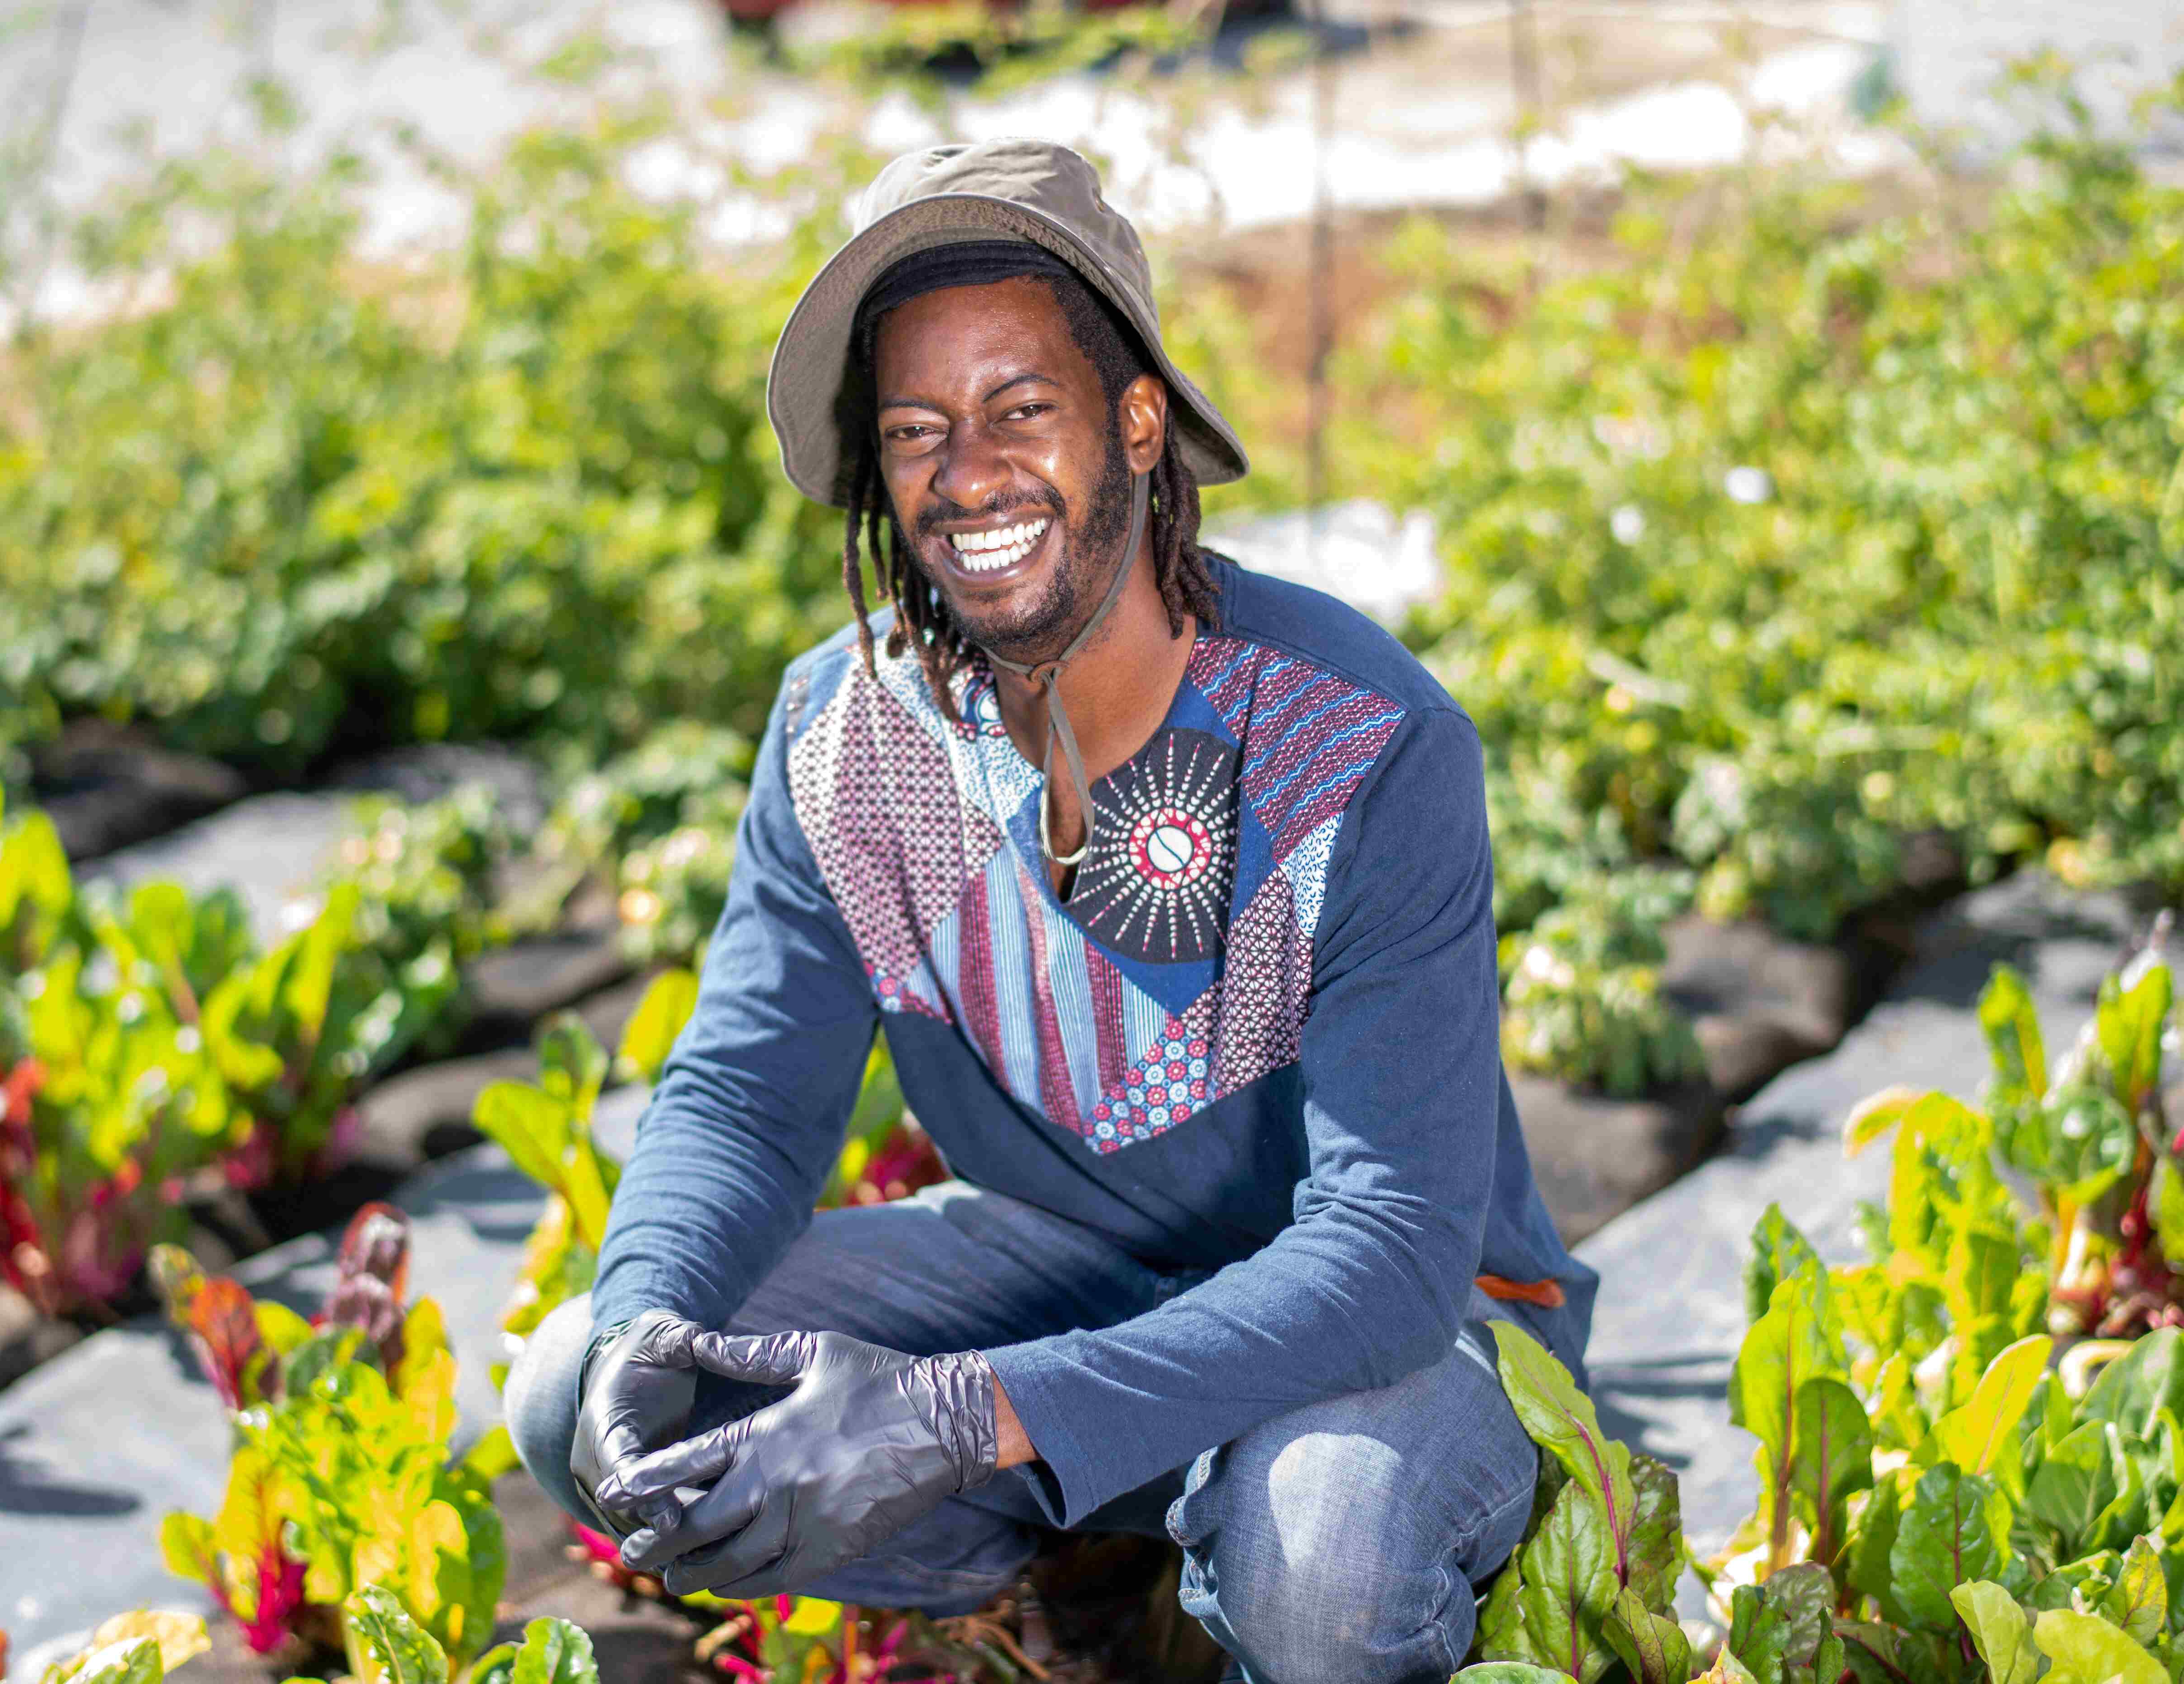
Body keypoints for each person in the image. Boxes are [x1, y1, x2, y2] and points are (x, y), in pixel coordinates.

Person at [504, 136, 1599, 1684]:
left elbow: (1392, 1248)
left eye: (1023, 408)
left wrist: (962, 1413)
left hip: (1400, 1340)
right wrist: (640, 1318)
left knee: (1329, 1563)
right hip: (1068, 1270)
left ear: (1139, 424)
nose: (967, 471)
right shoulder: (848, 738)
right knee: (587, 1392)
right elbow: (747, 1094)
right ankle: (1092, 1566)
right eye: (916, 429)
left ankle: (1275, 1577)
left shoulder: (1359, 742)